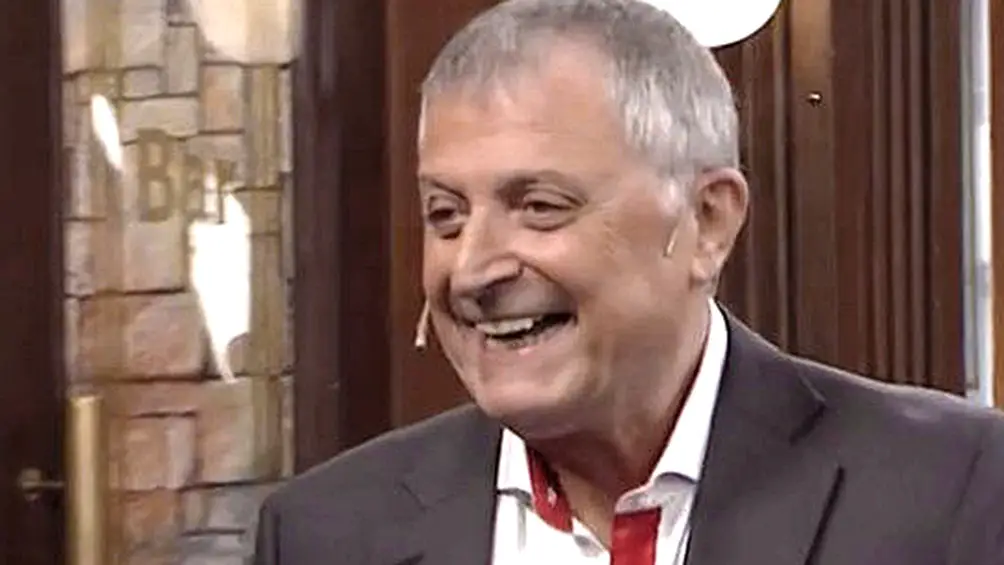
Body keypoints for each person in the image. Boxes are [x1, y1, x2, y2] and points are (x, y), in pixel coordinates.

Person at [253, 0, 1004, 563]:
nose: (473, 269)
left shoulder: (957, 492)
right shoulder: (325, 533)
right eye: (445, 216)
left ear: (707, 222)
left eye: (540, 206)